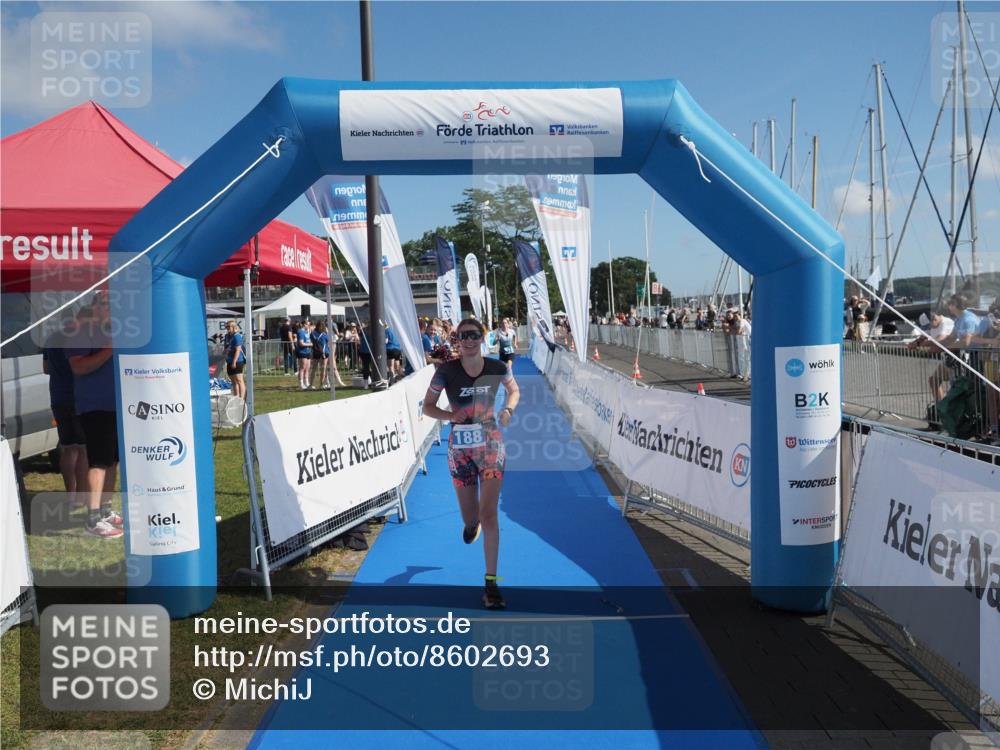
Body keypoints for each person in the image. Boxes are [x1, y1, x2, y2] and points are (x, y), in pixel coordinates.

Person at [422, 318, 520, 609]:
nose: (469, 340)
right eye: (463, 335)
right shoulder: (446, 372)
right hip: (460, 450)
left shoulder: (497, 367)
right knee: (472, 518)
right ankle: (470, 524)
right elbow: (427, 406)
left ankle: (491, 584)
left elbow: (514, 391)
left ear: (482, 337)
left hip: (490, 445)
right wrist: (449, 417)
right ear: (456, 339)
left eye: (474, 335)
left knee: (489, 514)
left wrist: (508, 410)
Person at [66, 292, 122, 538]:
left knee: (112, 461)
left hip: (118, 406)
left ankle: (105, 511)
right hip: (95, 407)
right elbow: (78, 367)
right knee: (98, 461)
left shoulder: (118, 330)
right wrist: (110, 349)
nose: (109, 308)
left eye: (113, 303)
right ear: (94, 307)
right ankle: (92, 518)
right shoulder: (81, 332)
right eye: (104, 303)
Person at [43, 309, 89, 495]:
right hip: (79, 397)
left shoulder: (51, 338)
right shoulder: (81, 338)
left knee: (68, 448)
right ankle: (84, 495)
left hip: (58, 397)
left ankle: (70, 494)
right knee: (84, 449)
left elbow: (46, 369)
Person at [225, 321, 246, 400]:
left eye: (229, 327)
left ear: (233, 327)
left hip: (238, 361)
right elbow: (226, 348)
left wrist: (234, 361)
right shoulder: (227, 336)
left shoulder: (237, 336)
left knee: (239, 380)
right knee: (233, 381)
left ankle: (242, 398)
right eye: (226, 327)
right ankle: (236, 397)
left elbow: (238, 350)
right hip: (229, 360)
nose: (227, 328)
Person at [311, 320, 330, 389]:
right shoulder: (324, 334)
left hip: (320, 352)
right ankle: (320, 384)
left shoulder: (313, 333)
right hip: (323, 352)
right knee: (321, 368)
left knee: (321, 368)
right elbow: (327, 342)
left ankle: (319, 384)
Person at [295, 319, 313, 390]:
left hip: (308, 351)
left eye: (309, 324)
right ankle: (301, 384)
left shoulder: (306, 332)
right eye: (307, 324)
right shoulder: (300, 332)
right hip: (302, 352)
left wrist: (310, 344)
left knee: (307, 368)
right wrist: (310, 344)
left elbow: (308, 340)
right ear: (303, 325)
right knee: (302, 368)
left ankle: (307, 382)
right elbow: (301, 343)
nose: (308, 326)